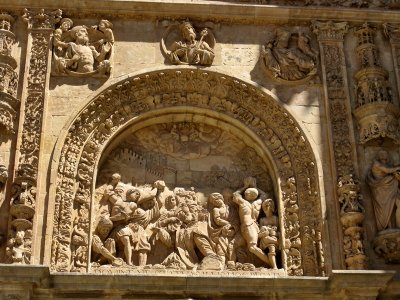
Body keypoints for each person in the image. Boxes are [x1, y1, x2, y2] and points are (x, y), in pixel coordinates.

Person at [232, 188, 271, 266]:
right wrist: (254, 186)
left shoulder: (244, 202)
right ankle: (231, 264)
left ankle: (271, 264)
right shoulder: (257, 203)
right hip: (246, 227)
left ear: (250, 195)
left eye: (247, 193)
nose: (245, 193)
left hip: (249, 225)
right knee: (232, 245)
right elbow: (264, 195)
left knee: (252, 247)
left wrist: (245, 186)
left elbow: (235, 195)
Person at [367, 150, 400, 232]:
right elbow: (388, 170)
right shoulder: (376, 164)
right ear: (378, 156)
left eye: (385, 153)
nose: (384, 155)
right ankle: (388, 227)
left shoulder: (388, 165)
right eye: (382, 154)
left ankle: (398, 226)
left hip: (391, 190)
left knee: (398, 203)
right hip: (380, 191)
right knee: (385, 210)